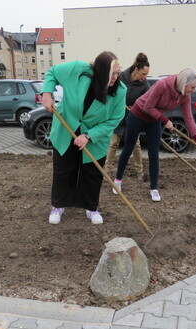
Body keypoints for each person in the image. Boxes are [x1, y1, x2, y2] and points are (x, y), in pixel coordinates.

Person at [41, 51, 126, 225]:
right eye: (112, 74)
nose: (116, 78)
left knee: (92, 173)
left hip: (96, 137)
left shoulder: (119, 91)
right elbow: (52, 72)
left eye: (118, 73)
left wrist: (89, 136)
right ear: (100, 72)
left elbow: (114, 119)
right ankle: (59, 205)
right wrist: (47, 93)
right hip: (67, 129)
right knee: (63, 169)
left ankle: (91, 208)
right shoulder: (77, 70)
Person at [114, 68, 196, 202]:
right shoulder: (162, 85)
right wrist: (165, 120)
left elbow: (189, 118)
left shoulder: (184, 96)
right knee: (128, 148)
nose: (193, 91)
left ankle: (154, 189)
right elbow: (147, 107)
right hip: (137, 115)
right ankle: (117, 180)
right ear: (184, 83)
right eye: (192, 87)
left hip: (154, 120)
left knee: (154, 153)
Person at [105, 52, 150, 182]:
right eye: (143, 74)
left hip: (133, 116)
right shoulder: (122, 77)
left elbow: (146, 102)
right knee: (113, 143)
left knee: (135, 145)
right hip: (118, 115)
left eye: (147, 74)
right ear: (136, 69)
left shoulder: (144, 85)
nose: (145, 77)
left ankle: (140, 172)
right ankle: (106, 171)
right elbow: (111, 92)